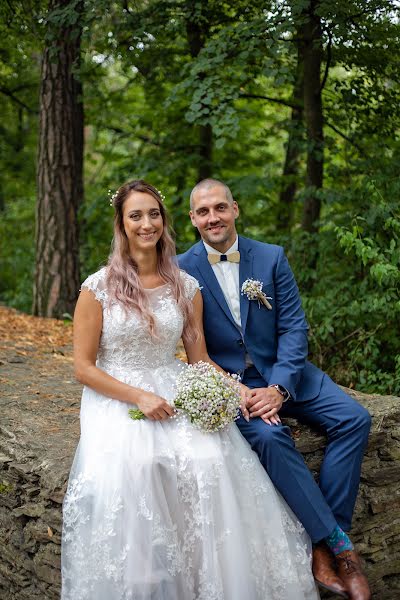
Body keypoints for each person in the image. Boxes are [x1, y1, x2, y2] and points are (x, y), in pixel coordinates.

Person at [61, 179, 319, 600]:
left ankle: (211, 583)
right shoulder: (98, 288)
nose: (147, 224)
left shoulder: (185, 285)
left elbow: (199, 360)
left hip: (175, 388)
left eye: (154, 214)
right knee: (142, 468)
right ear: (121, 224)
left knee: (210, 460)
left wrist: (241, 394)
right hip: (117, 396)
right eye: (136, 215)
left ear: (164, 220)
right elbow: (83, 368)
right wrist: (139, 397)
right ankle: (148, 584)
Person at [178, 178, 372, 600]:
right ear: (192, 219)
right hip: (232, 384)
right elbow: (195, 348)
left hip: (290, 373)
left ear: (235, 209)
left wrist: (280, 388)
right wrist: (240, 392)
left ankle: (324, 540)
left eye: (220, 207)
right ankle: (341, 548)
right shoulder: (180, 268)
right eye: (203, 211)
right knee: (269, 435)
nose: (213, 217)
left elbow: (294, 328)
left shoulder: (270, 257)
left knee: (355, 419)